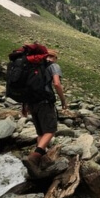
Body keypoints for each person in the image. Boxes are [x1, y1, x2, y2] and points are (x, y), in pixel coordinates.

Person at [22, 48, 67, 176]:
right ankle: (36, 155)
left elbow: (26, 86)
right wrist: (63, 100)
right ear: (54, 57)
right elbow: (57, 84)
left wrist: (24, 105)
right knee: (50, 130)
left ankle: (39, 161)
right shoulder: (53, 66)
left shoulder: (32, 66)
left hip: (31, 102)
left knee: (41, 131)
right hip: (45, 101)